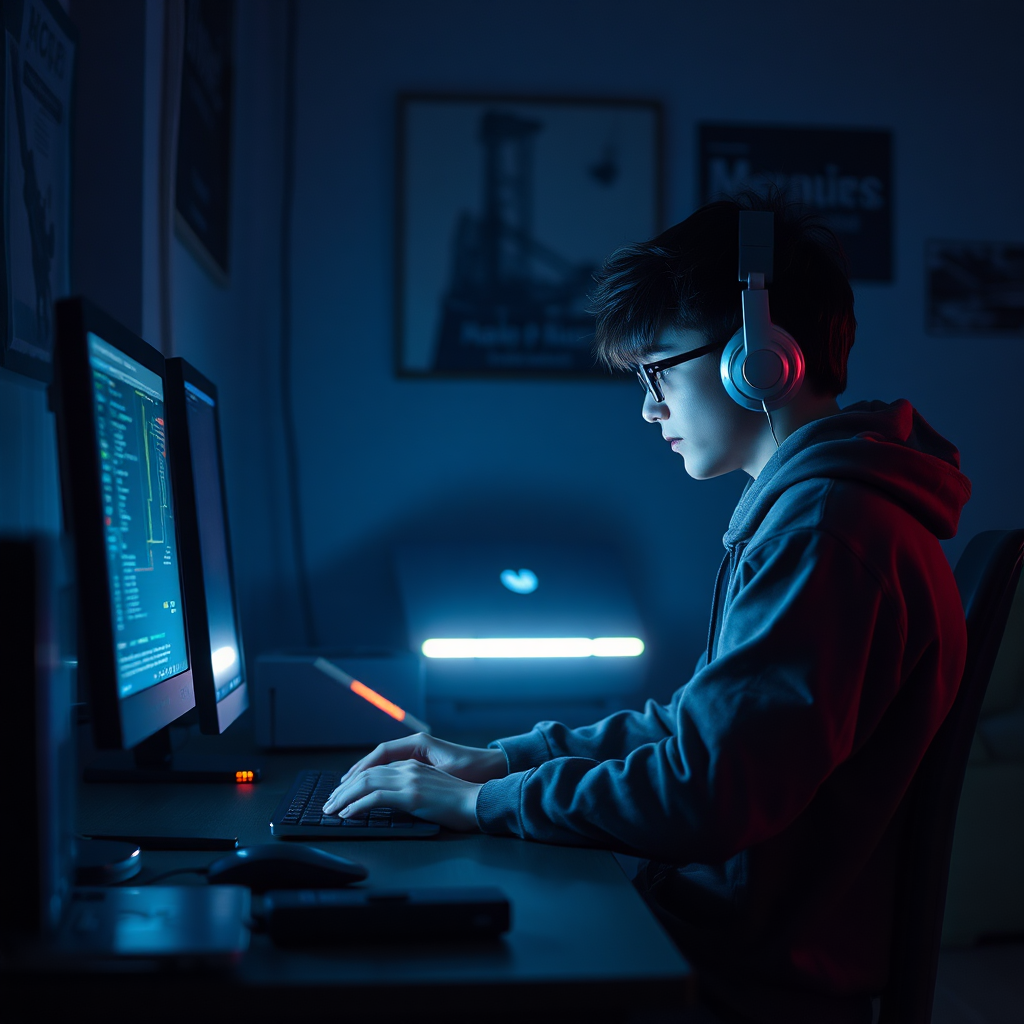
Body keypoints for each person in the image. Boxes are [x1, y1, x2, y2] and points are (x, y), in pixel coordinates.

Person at [323, 193, 971, 1023]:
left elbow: (709, 790)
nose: (648, 407)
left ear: (762, 358)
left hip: (744, 974)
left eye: (660, 370)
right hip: (734, 935)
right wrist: (499, 762)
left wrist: (484, 806)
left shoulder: (827, 529)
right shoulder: (816, 509)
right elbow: (699, 729)